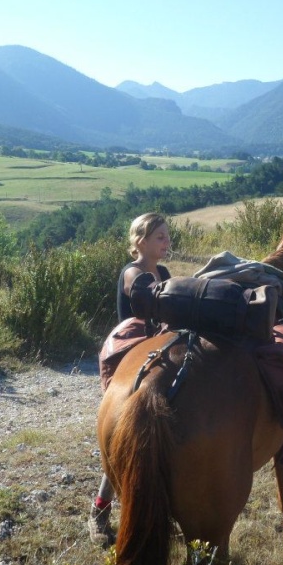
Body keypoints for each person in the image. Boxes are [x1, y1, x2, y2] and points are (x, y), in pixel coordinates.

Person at [88, 212, 172, 546]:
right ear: (140, 241)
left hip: (159, 348)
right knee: (122, 436)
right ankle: (100, 511)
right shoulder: (133, 273)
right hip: (130, 352)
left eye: (167, 237)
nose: (166, 243)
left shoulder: (162, 271)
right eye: (160, 238)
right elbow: (148, 297)